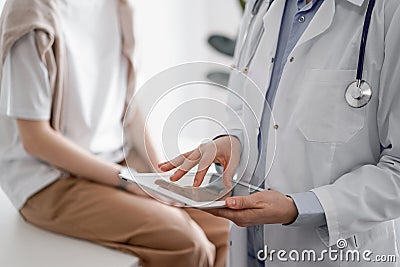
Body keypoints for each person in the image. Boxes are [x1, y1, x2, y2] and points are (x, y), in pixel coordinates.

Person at [159, 0, 400, 266]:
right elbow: (243, 105)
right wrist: (232, 141)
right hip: (249, 248)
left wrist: (300, 208)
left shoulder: (388, 10)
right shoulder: (262, 4)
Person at [0, 1, 229, 267]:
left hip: (117, 161)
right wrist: (128, 181)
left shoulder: (118, 6)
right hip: (50, 180)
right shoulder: (31, 14)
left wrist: (158, 174)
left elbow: (128, 106)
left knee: (225, 228)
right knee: (188, 243)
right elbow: (36, 140)